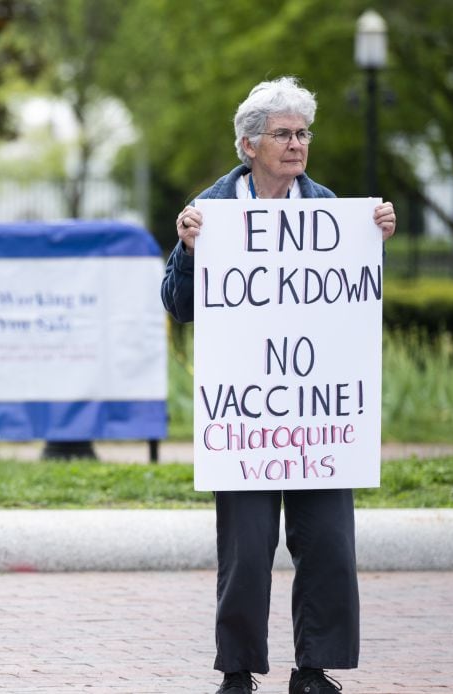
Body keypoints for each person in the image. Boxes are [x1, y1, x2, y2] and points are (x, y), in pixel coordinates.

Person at [160, 76, 397, 694]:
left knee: (327, 545)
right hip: (247, 418)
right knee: (245, 550)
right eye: (283, 135)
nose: (297, 146)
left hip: (315, 412)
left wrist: (375, 238)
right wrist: (188, 250)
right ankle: (238, 671)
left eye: (302, 134)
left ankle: (314, 670)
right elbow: (179, 305)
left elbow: (347, 302)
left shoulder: (330, 210)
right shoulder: (209, 210)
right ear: (248, 145)